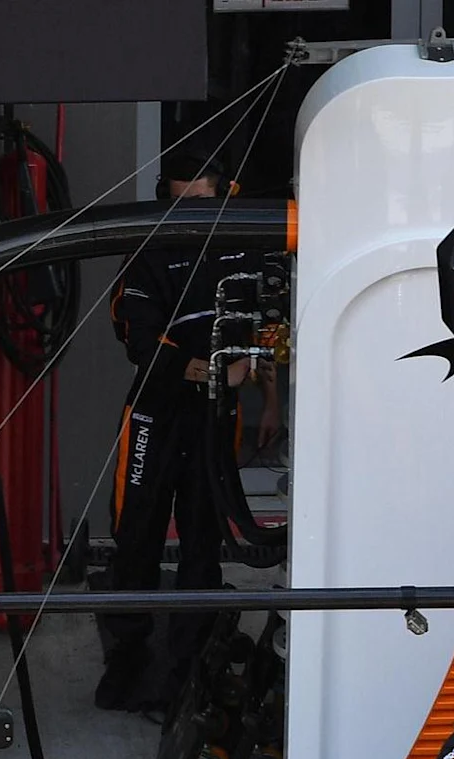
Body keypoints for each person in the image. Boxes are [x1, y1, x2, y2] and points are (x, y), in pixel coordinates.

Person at [96, 161, 266, 713]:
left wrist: (269, 393)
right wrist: (210, 370)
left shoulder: (246, 243)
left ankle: (191, 663)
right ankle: (127, 655)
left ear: (224, 195)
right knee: (136, 534)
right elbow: (136, 338)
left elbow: (270, 324)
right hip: (155, 410)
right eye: (176, 202)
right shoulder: (148, 250)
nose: (187, 213)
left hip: (216, 414)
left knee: (202, 535)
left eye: (199, 202)